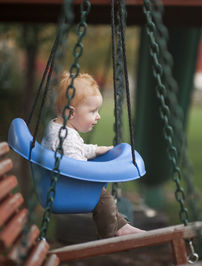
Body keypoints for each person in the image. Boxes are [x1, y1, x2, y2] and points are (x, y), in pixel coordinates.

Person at [42, 72, 144, 238]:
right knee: (104, 198)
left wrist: (95, 150)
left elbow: (76, 149)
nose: (98, 116)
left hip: (61, 183)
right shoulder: (64, 137)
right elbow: (76, 167)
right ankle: (110, 234)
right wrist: (98, 172)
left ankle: (122, 226)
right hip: (65, 189)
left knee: (104, 197)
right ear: (70, 113)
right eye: (92, 111)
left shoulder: (59, 129)